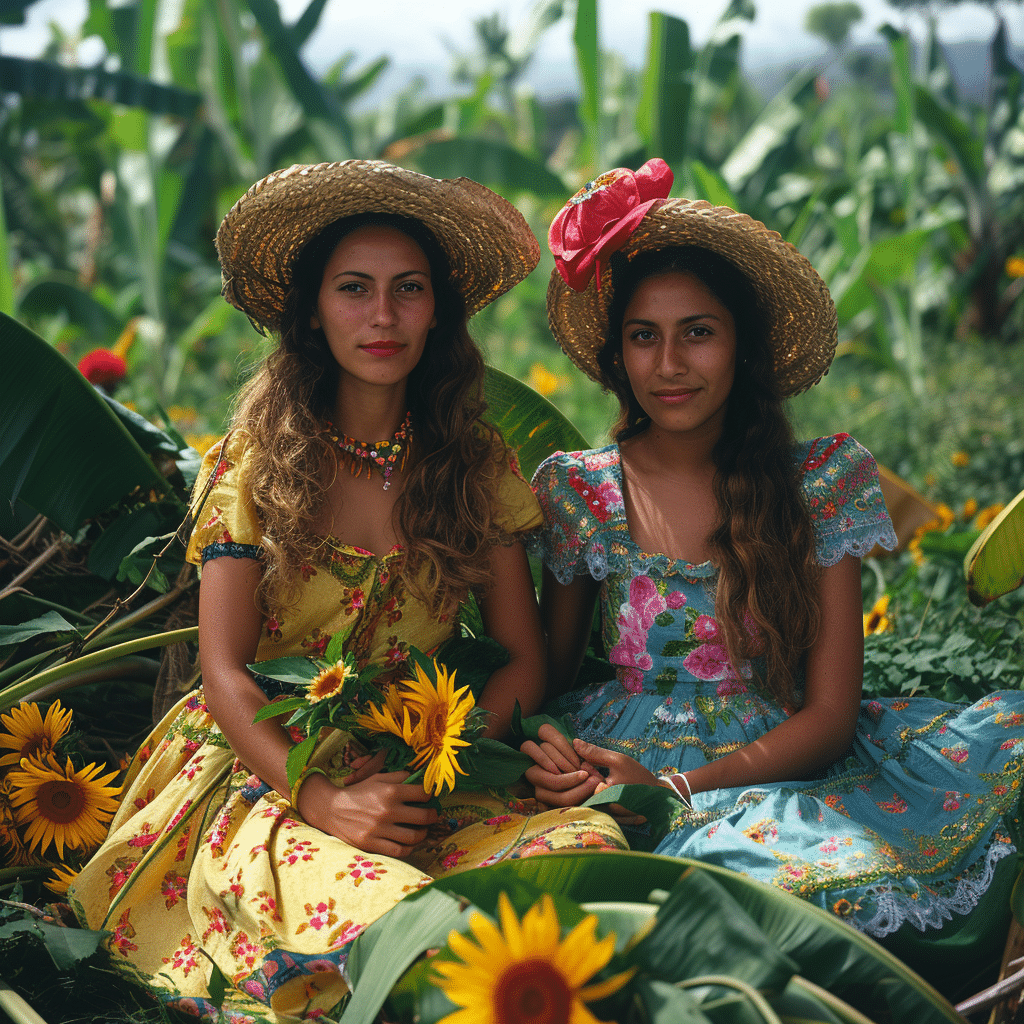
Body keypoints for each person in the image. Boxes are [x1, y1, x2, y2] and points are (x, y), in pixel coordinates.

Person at [67, 160, 626, 1022]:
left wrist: (438, 761)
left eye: (408, 289)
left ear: (437, 311)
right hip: (271, 773)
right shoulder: (255, 466)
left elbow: (520, 662)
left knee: (584, 850)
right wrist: (324, 797)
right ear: (313, 309)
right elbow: (223, 676)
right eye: (354, 289)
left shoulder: (475, 466)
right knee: (380, 921)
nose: (382, 316)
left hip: (433, 769)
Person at [522, 158, 1024, 940]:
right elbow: (548, 681)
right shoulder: (580, 491)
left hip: (776, 764)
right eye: (643, 337)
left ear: (742, 347)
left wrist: (679, 788)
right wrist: (558, 754)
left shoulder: (820, 483)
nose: (670, 365)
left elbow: (829, 713)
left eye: (699, 334)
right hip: (614, 759)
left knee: (791, 905)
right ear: (617, 355)